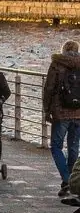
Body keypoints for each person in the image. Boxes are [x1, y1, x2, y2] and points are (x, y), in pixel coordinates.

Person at [43, 40, 80, 195]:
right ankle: (72, 181)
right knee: (73, 147)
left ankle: (66, 179)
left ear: (64, 50)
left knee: (56, 146)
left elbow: (49, 88)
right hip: (78, 112)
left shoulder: (57, 64)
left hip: (60, 113)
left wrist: (47, 109)